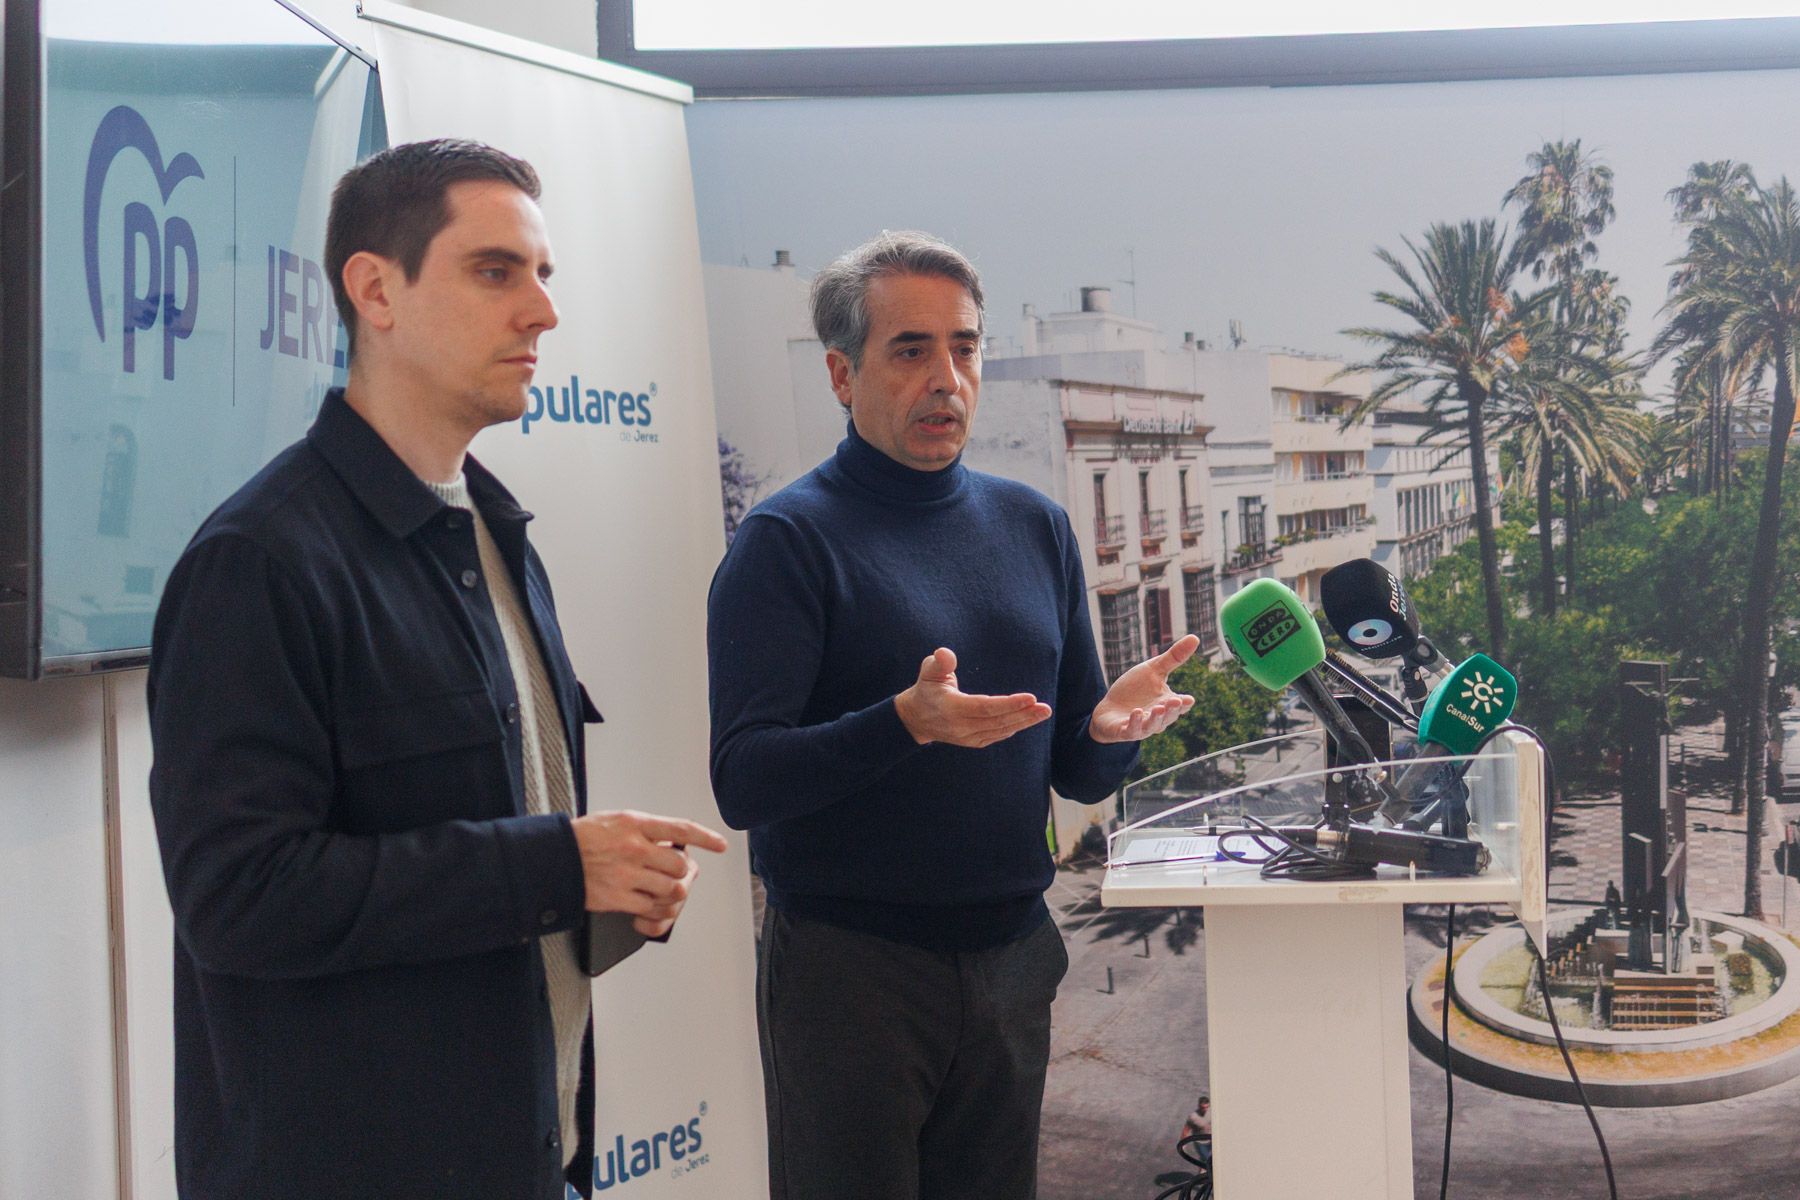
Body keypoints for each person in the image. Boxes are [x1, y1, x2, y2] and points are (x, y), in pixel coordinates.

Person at [146, 140, 727, 1200]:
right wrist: (556, 865)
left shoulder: (498, 533)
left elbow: (483, 843)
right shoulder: (259, 561)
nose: (543, 313)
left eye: (545, 276)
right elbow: (238, 900)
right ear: (375, 289)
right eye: (496, 271)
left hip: (527, 1153)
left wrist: (605, 884)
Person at [707, 230, 1199, 1200]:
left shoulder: (1036, 527)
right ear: (842, 375)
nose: (947, 377)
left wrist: (1107, 736)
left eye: (965, 348)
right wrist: (901, 723)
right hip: (853, 977)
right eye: (911, 350)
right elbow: (744, 778)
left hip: (1012, 956)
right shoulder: (787, 543)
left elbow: (1069, 766)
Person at [1180, 1095, 1213, 1167]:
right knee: (1208, 1160)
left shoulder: (1212, 1112)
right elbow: (1186, 1129)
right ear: (1199, 1106)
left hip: (1211, 1139)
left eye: (1207, 1107)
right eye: (1203, 1108)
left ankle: (1203, 1165)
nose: (1205, 1110)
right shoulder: (1193, 1117)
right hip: (1200, 1142)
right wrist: (1183, 1144)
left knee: (1212, 1157)